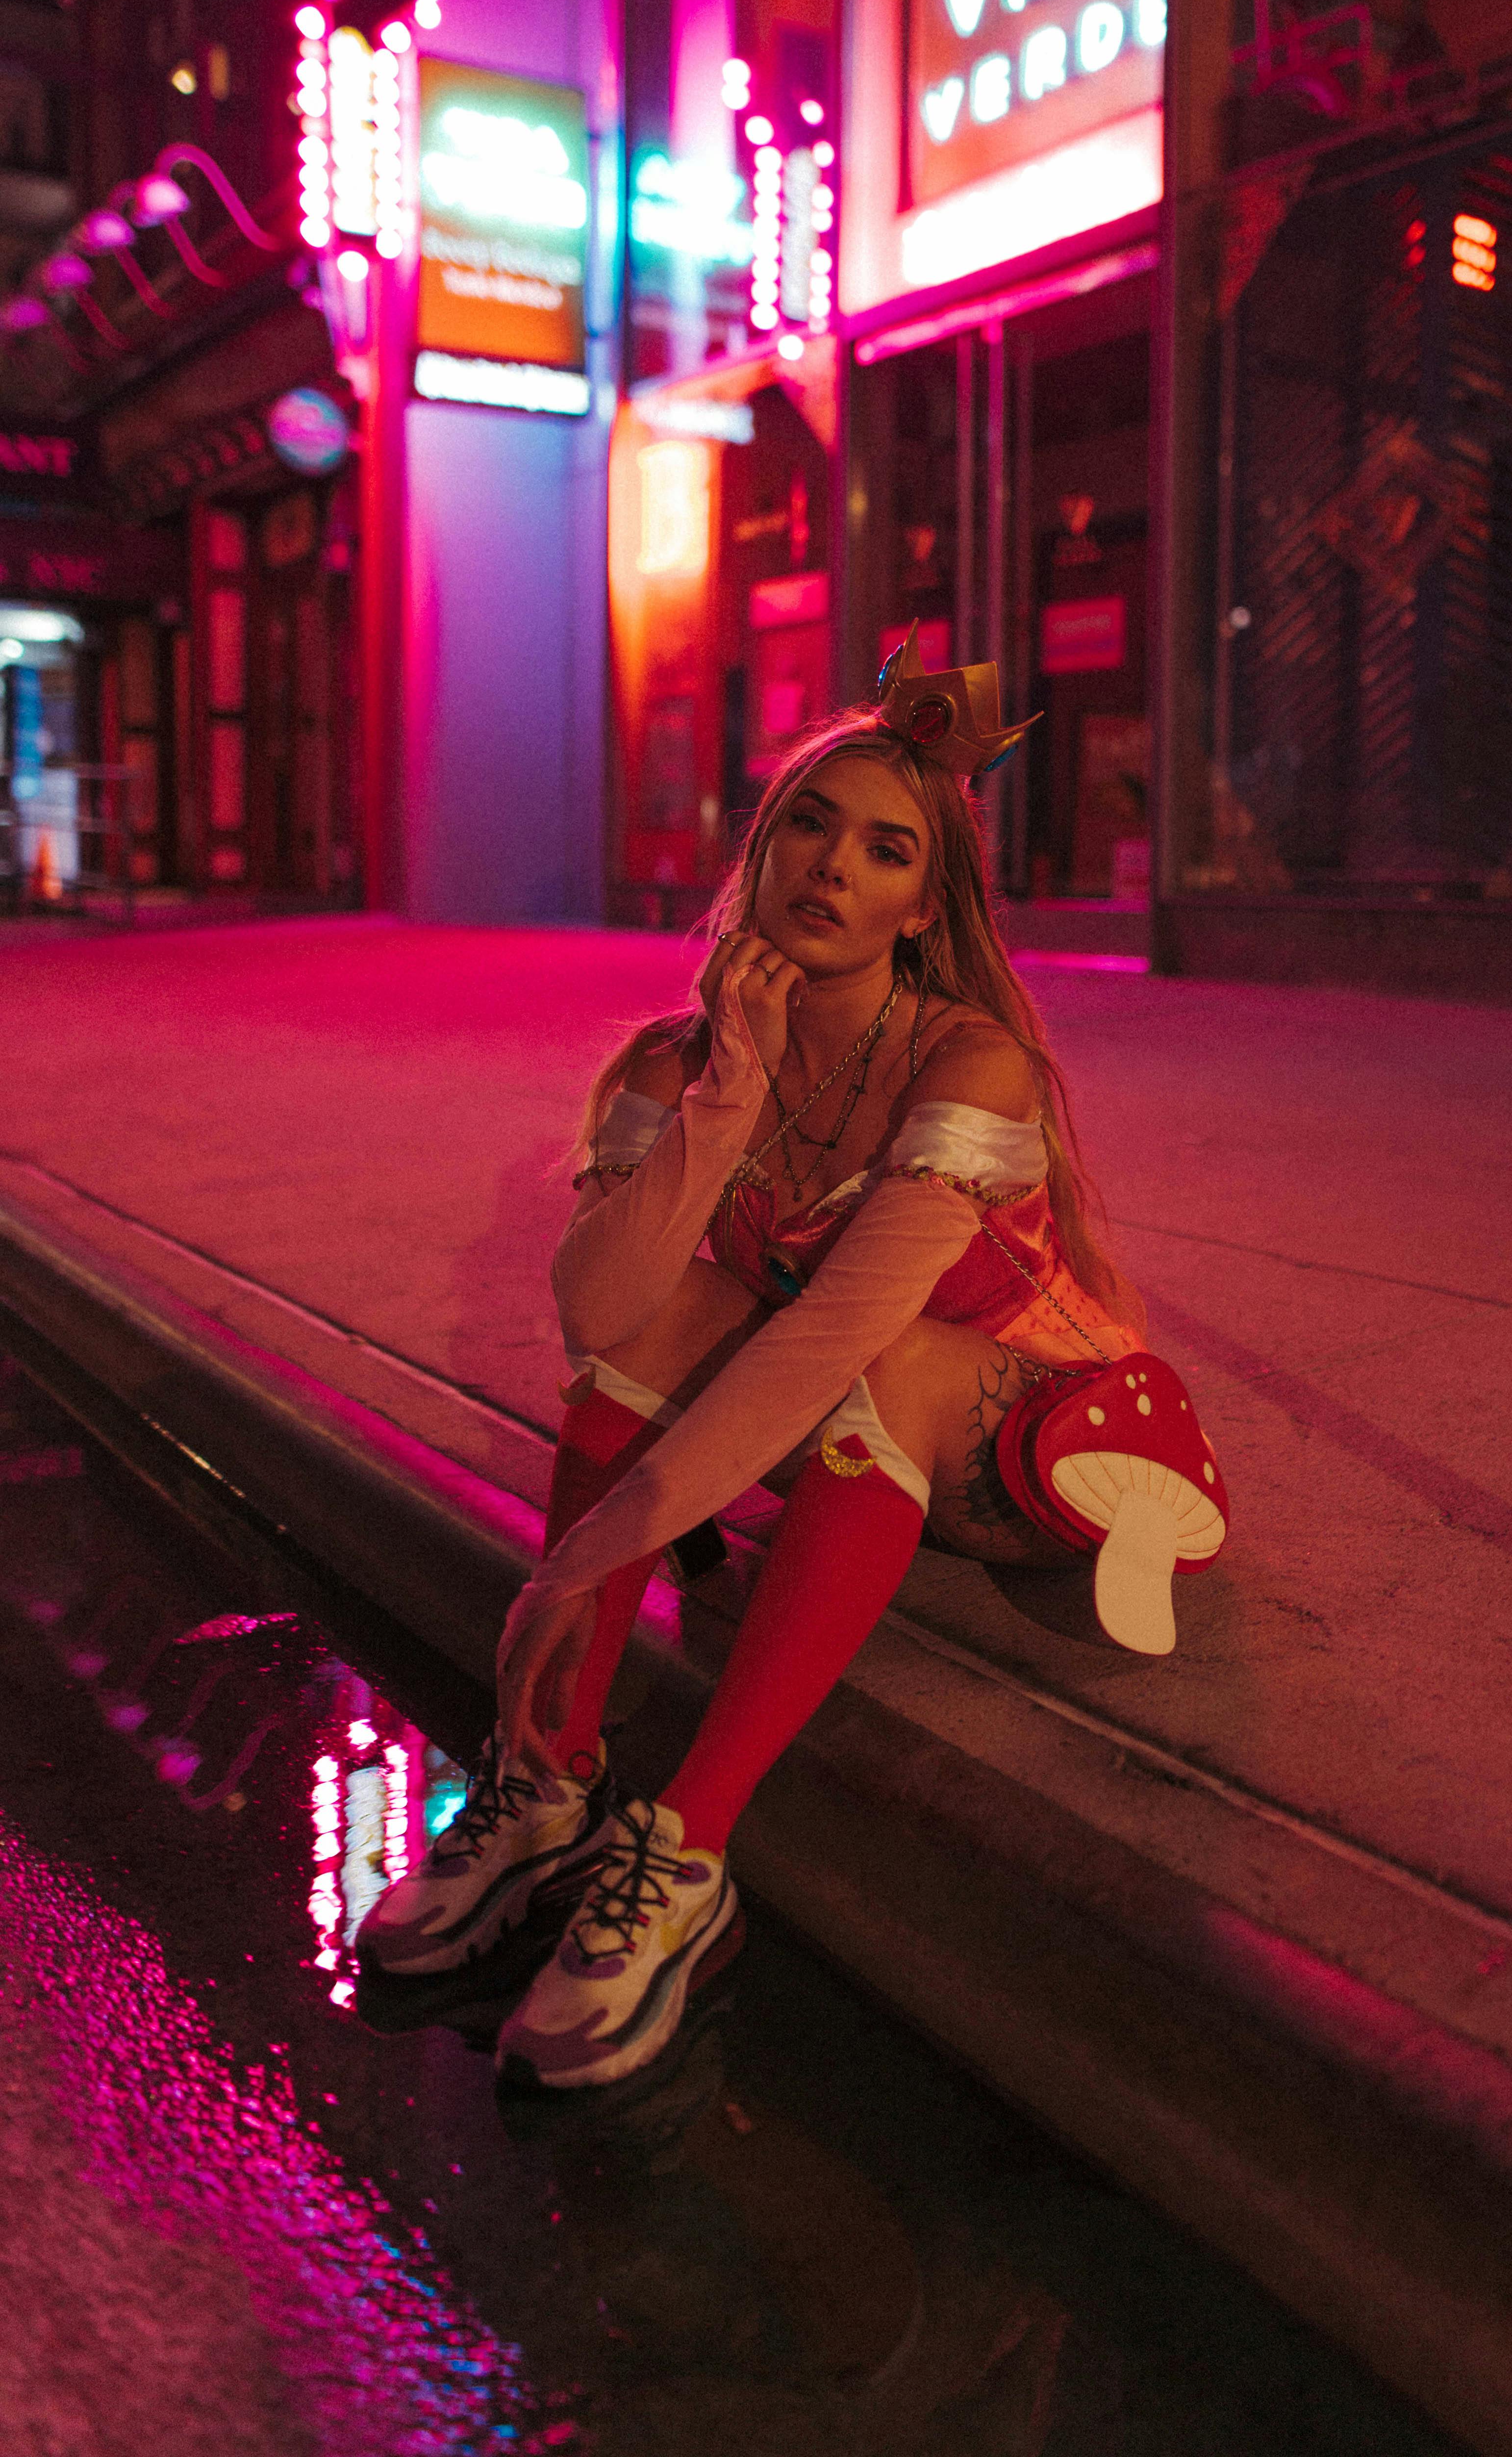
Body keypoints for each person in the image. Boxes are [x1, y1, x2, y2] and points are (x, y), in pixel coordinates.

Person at [356, 636, 1225, 2098]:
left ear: (923, 905)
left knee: (884, 1364)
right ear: (760, 853)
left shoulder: (968, 1066)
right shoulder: (678, 1059)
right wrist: (730, 1093)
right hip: (844, 1420)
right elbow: (599, 1315)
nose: (833, 867)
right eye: (809, 826)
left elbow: (832, 1340)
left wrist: (575, 1566)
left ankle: (683, 1856)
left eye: (886, 850)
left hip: (1041, 1435)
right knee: (665, 1317)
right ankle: (547, 1786)